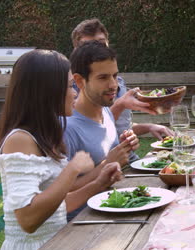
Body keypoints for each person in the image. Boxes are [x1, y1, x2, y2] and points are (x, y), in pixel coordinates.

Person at [0, 50, 122, 250]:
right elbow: (28, 219)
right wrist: (72, 170)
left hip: (56, 246)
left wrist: (99, 183)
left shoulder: (43, 136)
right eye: (70, 86)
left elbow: (55, 208)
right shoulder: (19, 140)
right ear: (47, 91)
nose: (75, 94)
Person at [71, 18, 173, 160]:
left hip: (126, 163)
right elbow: (89, 129)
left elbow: (119, 125)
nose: (112, 84)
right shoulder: (72, 92)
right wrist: (120, 104)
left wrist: (148, 127)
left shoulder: (118, 82)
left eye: (100, 43)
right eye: (88, 45)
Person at [64, 40, 138, 221]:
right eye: (103, 77)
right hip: (83, 225)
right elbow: (61, 192)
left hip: (117, 208)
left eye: (115, 75)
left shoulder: (105, 110)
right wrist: (106, 164)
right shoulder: (67, 128)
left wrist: (124, 146)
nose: (114, 85)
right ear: (80, 81)